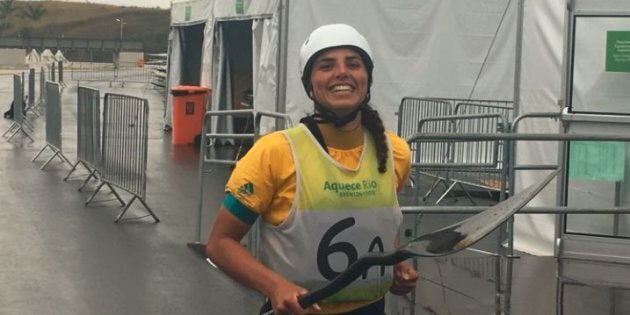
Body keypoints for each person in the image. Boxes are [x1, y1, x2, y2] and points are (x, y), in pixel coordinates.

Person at [206, 23, 419, 315]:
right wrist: (275, 286)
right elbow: (220, 243)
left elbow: (376, 224)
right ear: (310, 85)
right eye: (326, 65)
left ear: (367, 78)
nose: (341, 72)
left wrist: (394, 263)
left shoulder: (395, 152)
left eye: (353, 64)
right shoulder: (275, 153)